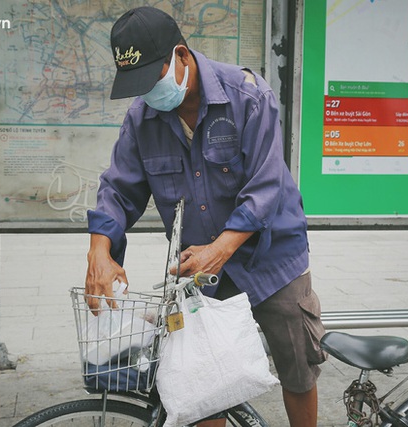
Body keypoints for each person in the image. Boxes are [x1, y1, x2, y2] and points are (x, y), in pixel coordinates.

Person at [85, 7, 326, 427]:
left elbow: (267, 185)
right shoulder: (142, 118)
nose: (148, 94)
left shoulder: (247, 96)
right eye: (137, 86)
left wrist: (224, 247)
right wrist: (99, 249)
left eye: (152, 80)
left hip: (270, 259)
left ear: (181, 56)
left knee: (297, 367)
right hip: (200, 268)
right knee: (202, 381)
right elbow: (119, 188)